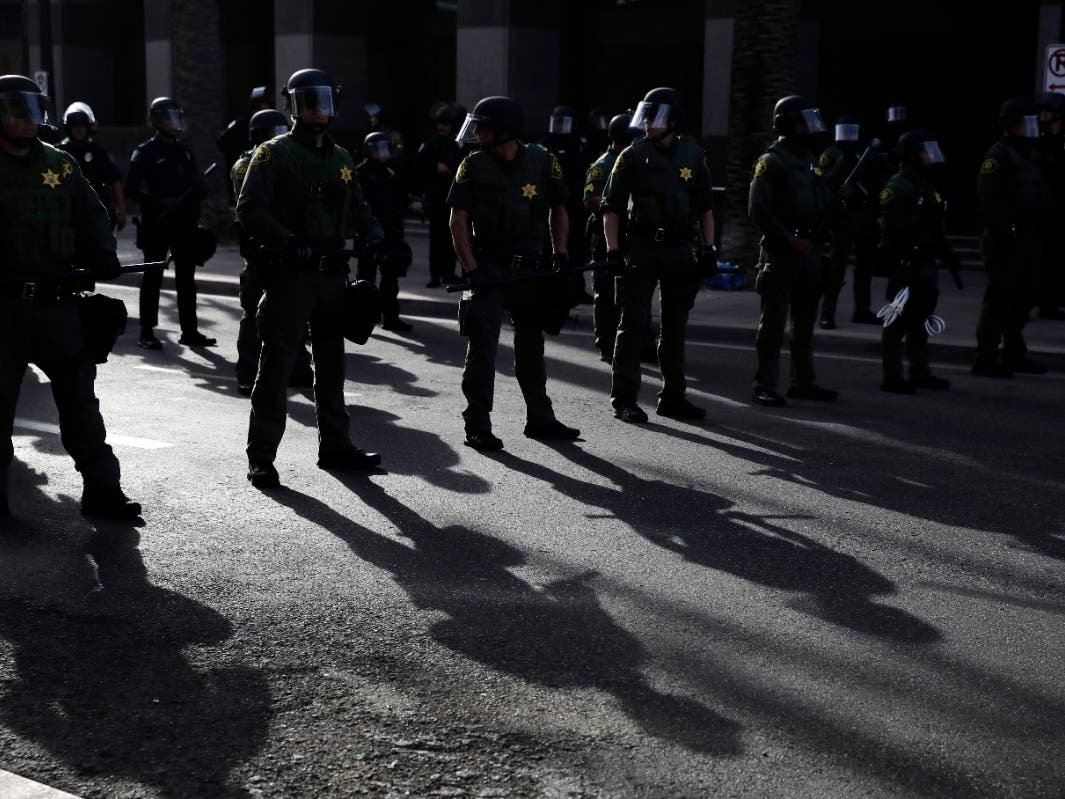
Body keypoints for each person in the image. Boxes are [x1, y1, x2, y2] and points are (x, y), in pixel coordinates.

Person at [236, 67, 385, 489]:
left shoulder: (340, 157)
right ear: (294, 106)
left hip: (333, 277)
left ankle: (336, 445)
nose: (318, 109)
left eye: (324, 100)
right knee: (277, 368)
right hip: (291, 278)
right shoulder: (273, 154)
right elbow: (249, 209)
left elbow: (358, 206)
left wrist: (376, 236)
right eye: (309, 101)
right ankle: (261, 457)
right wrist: (287, 239)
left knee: (332, 367)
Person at [0, 74, 140, 519]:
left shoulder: (61, 164)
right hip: (3, 312)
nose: (27, 120)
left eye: (32, 109)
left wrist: (103, 254)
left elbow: (93, 215)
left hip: (59, 306)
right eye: (16, 110)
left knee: (81, 405)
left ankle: (103, 492)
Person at [447, 95, 581, 451]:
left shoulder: (542, 160)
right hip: (489, 268)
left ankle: (540, 418)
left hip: (530, 268)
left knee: (531, 346)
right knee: (482, 348)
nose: (476, 131)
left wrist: (561, 254)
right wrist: (471, 268)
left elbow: (559, 208)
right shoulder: (472, 165)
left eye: (483, 125)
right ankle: (477, 425)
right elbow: (457, 220)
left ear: (505, 129)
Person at [601, 87, 717, 423]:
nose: (648, 123)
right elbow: (612, 208)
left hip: (680, 250)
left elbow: (705, 207)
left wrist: (709, 248)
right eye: (646, 116)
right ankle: (624, 398)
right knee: (633, 325)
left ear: (674, 120)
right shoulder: (632, 155)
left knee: (675, 327)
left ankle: (673, 396)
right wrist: (613, 250)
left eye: (656, 117)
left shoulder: (694, 155)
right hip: (642, 248)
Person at [748, 94, 839, 407]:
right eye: (804, 121)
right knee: (773, 325)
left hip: (809, 253)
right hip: (781, 254)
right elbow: (759, 209)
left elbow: (821, 201)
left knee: (804, 323)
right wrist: (788, 239)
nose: (810, 128)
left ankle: (803, 381)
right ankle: (764, 384)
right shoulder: (771, 161)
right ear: (788, 124)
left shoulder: (810, 160)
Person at [230, 108, 313, 396]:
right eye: (274, 132)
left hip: (289, 244)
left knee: (296, 308)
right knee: (253, 311)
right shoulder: (245, 164)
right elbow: (254, 205)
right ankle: (247, 371)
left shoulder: (291, 156)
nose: (281, 137)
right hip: (260, 248)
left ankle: (298, 366)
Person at [125, 96, 217, 350]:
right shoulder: (145, 152)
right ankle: (147, 332)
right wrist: (157, 202)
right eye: (169, 118)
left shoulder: (184, 151)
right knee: (153, 277)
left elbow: (196, 185)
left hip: (184, 224)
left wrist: (200, 188)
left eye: (177, 117)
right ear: (157, 120)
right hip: (157, 224)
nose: (175, 123)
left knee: (186, 280)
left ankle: (190, 331)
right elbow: (131, 188)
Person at [876, 129, 962, 393]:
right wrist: (917, 224)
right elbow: (889, 228)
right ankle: (892, 376)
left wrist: (947, 254)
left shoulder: (926, 185)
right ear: (911, 155)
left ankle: (919, 371)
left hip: (925, 262)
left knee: (922, 316)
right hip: (906, 262)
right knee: (898, 320)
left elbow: (935, 228)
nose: (929, 156)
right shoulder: (897, 186)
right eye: (924, 151)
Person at [973, 97, 1052, 378]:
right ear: (1010, 125)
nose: (1031, 128)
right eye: (1025, 123)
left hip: (1029, 238)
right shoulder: (998, 156)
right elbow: (989, 201)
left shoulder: (1030, 153)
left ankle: (1014, 354)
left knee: (1025, 297)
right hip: (1005, 239)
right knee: (999, 299)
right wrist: (1006, 233)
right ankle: (985, 357)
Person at [583, 111, 638, 363]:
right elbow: (590, 200)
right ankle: (606, 341)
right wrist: (616, 203)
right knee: (605, 290)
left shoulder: (636, 161)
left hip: (631, 233)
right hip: (605, 234)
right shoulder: (603, 165)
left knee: (632, 289)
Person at [355, 131, 422, 332]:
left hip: (391, 232)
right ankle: (361, 319)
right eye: (378, 149)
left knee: (390, 279)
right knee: (366, 279)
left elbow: (400, 196)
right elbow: (357, 204)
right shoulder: (360, 173)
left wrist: (411, 203)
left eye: (385, 149)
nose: (383, 154)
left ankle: (390, 317)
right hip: (369, 234)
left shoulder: (390, 172)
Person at [817, 115, 880, 327]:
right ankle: (827, 312)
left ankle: (862, 310)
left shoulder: (864, 153)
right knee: (837, 268)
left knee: (865, 267)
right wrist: (840, 176)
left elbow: (875, 181)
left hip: (862, 216)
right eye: (846, 131)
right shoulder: (831, 154)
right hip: (841, 219)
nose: (849, 136)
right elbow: (823, 182)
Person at [541, 104, 594, 303]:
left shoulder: (578, 144)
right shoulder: (545, 144)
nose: (561, 127)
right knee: (552, 248)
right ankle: (553, 289)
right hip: (552, 204)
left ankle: (576, 289)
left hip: (575, 204)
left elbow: (587, 170)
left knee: (578, 248)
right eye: (558, 123)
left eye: (565, 123)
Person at [413, 102, 464, 287]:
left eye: (446, 123)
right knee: (436, 239)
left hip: (452, 198)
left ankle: (449, 274)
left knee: (452, 238)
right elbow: (418, 167)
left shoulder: (457, 145)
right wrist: (435, 166)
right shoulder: (429, 144)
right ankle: (435, 275)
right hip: (435, 199)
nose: (442, 126)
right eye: (440, 123)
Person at [56, 101, 127, 231]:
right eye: (75, 126)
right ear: (68, 128)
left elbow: (115, 180)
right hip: (66, 212)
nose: (79, 130)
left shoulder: (98, 152)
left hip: (95, 210)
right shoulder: (58, 153)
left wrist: (121, 210)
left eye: (82, 126)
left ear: (88, 128)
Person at [1035, 91, 1065, 320]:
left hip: (1058, 211)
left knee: (1056, 260)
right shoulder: (1037, 142)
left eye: (1048, 111)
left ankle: (1051, 304)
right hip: (1041, 210)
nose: (1043, 115)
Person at [218, 86, 270, 205]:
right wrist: (238, 155)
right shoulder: (241, 124)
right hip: (242, 177)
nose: (266, 107)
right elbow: (222, 142)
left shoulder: (268, 125)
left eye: (267, 104)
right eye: (263, 103)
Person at [364, 102, 406, 169]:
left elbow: (400, 154)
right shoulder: (371, 135)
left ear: (380, 117)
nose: (371, 119)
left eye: (373, 116)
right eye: (370, 116)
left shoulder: (395, 135)